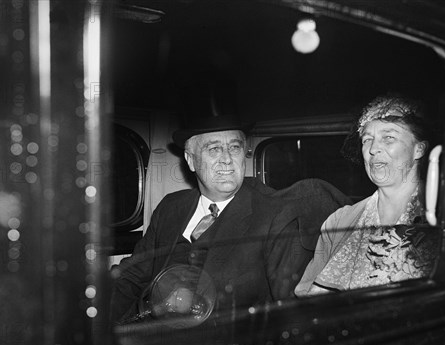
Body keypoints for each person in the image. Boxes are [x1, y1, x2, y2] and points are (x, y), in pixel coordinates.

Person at [111, 115, 348, 323]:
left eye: (234, 148)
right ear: (191, 160)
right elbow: (132, 275)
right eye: (213, 149)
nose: (226, 159)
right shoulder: (170, 207)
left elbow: (289, 311)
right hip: (152, 332)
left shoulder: (274, 213)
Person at [295, 95, 439, 296]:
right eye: (367, 140)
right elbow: (305, 297)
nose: (373, 149)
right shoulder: (338, 222)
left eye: (388, 138)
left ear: (419, 149)